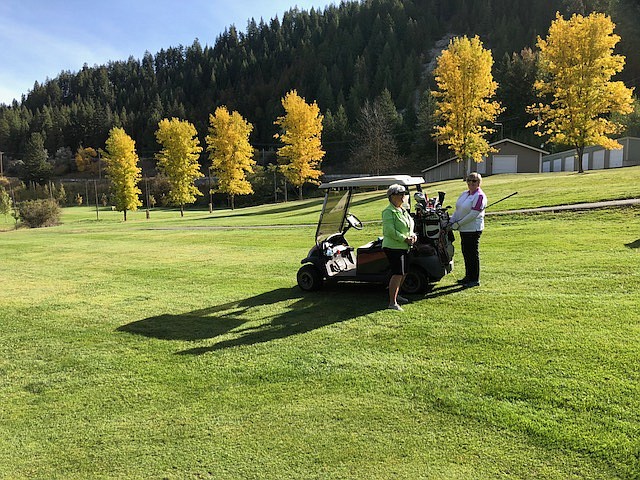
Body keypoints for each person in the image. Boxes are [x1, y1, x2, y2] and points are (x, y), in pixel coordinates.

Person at [449, 172, 487, 288]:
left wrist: (458, 224)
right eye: (469, 180)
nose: (471, 183)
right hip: (464, 229)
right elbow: (458, 210)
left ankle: (474, 279)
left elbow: (473, 214)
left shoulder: (480, 196)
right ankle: (468, 276)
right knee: (466, 253)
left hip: (473, 229)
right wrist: (452, 221)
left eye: (474, 181)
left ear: (479, 183)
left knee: (472, 254)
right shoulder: (464, 194)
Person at [382, 184, 417, 311]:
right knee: (397, 273)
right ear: (392, 197)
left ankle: (398, 294)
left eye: (404, 194)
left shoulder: (403, 210)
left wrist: (413, 236)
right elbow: (389, 231)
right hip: (393, 247)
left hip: (405, 246)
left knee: (404, 272)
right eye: (400, 194)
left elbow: (410, 226)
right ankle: (392, 302)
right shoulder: (388, 211)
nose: (403, 196)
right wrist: (404, 238)